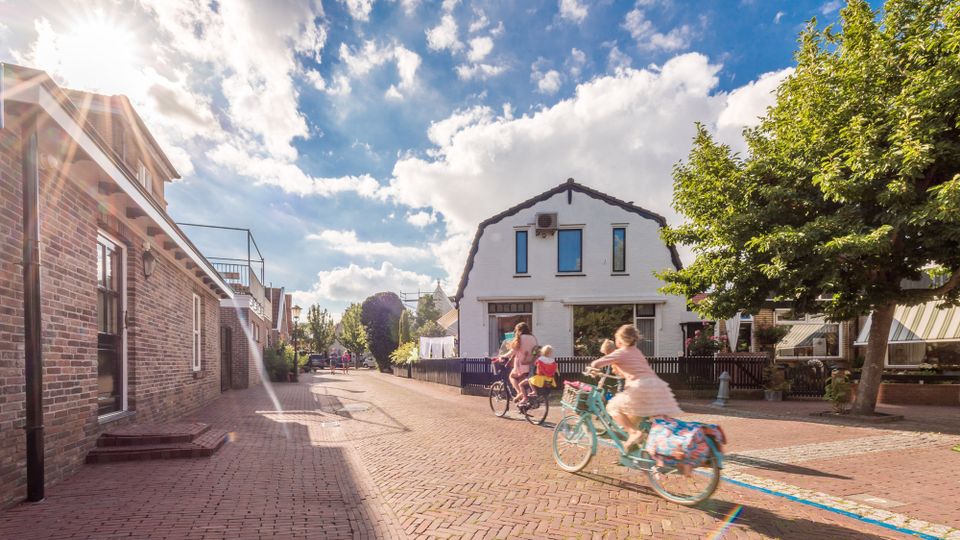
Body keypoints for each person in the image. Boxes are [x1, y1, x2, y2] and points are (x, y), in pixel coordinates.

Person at [590, 324, 682, 449]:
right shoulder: (637, 352)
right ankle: (641, 447)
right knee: (639, 419)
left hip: (640, 387)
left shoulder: (620, 352)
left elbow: (597, 363)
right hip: (657, 386)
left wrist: (592, 369)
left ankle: (634, 434)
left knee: (612, 407)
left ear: (619, 340)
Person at [504, 321, 538, 403]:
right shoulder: (533, 338)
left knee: (511, 376)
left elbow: (512, 351)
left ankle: (520, 393)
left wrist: (502, 356)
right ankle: (525, 400)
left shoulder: (519, 338)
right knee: (522, 382)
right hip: (531, 364)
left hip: (521, 365)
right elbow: (536, 350)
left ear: (518, 330)